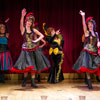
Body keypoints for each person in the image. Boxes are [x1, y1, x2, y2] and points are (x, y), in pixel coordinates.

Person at [12, 8, 50, 88]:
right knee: (26, 66)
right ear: (26, 21)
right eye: (28, 21)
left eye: (31, 22)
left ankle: (33, 82)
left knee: (33, 66)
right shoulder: (23, 30)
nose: (29, 23)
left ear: (32, 23)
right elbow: (20, 23)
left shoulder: (33, 30)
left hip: (33, 50)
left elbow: (42, 35)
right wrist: (22, 16)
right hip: (25, 50)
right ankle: (25, 81)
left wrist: (36, 40)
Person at [72, 10, 100, 89]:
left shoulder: (96, 33)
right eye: (89, 24)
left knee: (96, 64)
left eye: (91, 24)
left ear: (93, 25)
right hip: (87, 51)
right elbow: (83, 25)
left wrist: (99, 43)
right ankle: (89, 82)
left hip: (94, 51)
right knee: (87, 67)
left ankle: (92, 80)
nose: (90, 25)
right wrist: (83, 16)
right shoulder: (87, 32)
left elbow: (98, 41)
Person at [0, 18, 13, 83]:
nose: (3, 30)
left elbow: (8, 31)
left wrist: (6, 23)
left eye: (3, 29)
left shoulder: (6, 35)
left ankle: (2, 79)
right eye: (1, 29)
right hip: (0, 52)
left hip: (5, 52)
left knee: (3, 66)